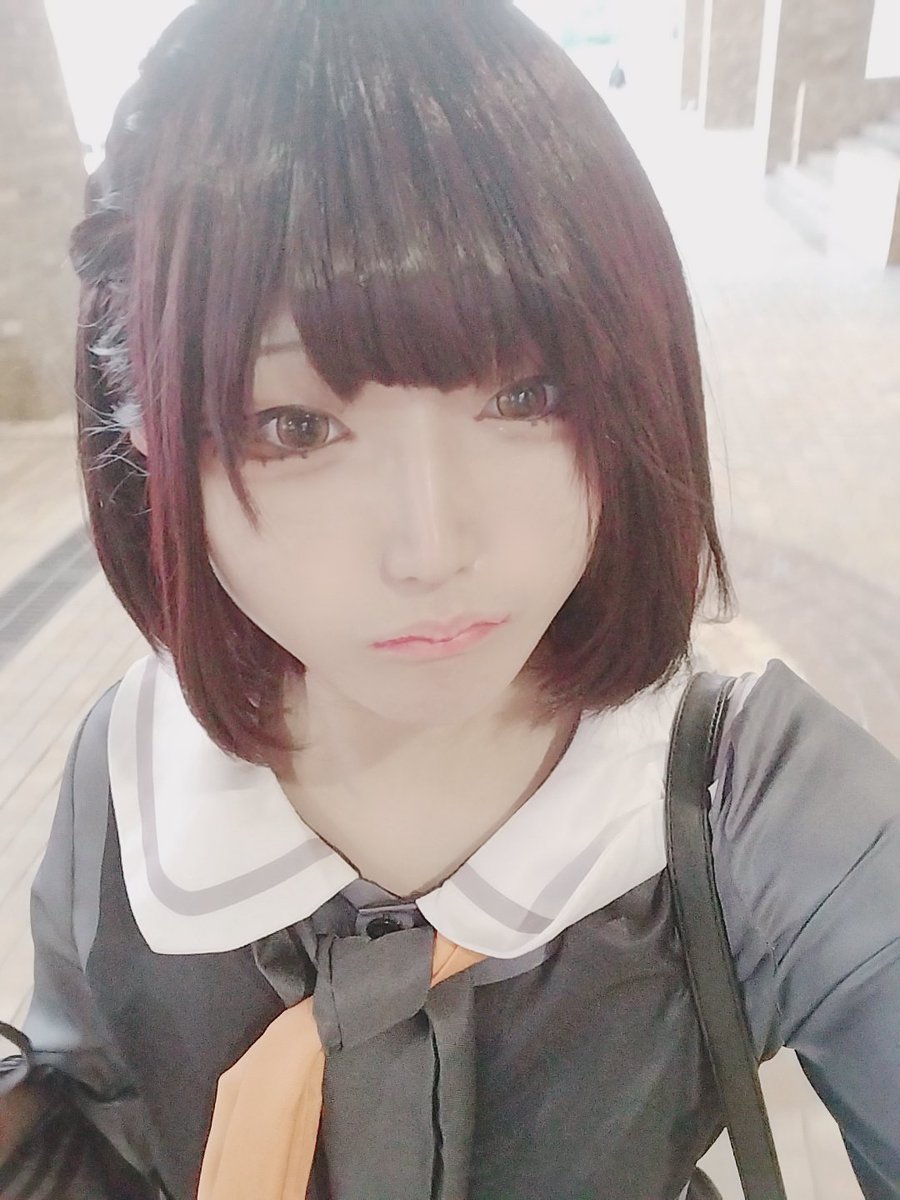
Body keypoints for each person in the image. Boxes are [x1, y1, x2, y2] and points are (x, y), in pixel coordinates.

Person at [1, 2, 898, 1198]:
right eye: (294, 426)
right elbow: (92, 1134)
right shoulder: (130, 770)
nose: (431, 549)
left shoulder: (760, 809)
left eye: (528, 397)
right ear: (149, 443)